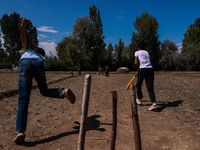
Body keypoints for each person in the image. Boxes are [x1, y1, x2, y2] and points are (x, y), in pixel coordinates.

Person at [14, 18, 76, 144]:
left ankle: (21, 131)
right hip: (39, 65)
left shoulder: (26, 52)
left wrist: (22, 26)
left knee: (23, 99)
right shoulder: (41, 58)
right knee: (44, 90)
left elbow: (23, 40)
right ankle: (63, 92)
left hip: (25, 64)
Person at [134, 41, 157, 111]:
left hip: (142, 69)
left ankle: (139, 100)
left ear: (138, 47)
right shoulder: (147, 52)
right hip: (150, 69)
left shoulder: (137, 52)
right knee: (150, 87)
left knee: (138, 85)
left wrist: (139, 67)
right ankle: (153, 103)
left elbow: (135, 62)